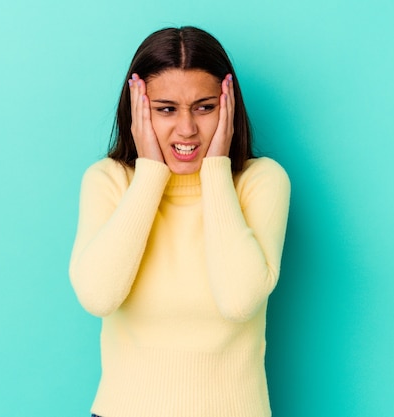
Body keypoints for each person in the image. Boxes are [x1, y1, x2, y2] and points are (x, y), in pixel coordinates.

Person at [69, 26, 291, 417]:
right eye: (166, 109)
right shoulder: (109, 181)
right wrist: (150, 173)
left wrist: (216, 170)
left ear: (228, 107)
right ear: (137, 110)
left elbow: (239, 301)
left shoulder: (261, 182)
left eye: (205, 107)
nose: (187, 129)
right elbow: (98, 297)